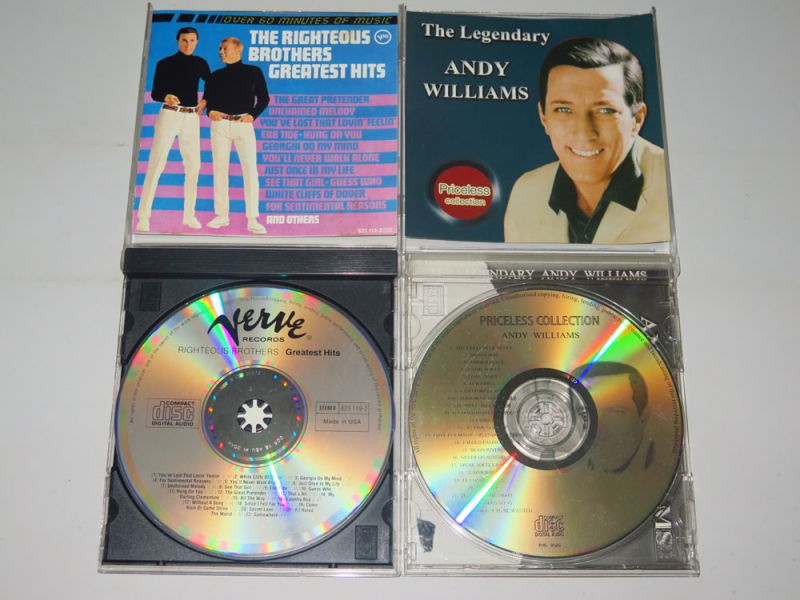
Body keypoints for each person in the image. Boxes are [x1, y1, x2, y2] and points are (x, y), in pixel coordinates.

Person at [504, 37, 670, 244]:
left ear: (637, 119)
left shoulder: (674, 187)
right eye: (563, 109)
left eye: (605, 110)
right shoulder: (525, 194)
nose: (584, 133)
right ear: (544, 118)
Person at [137, 27, 210, 232]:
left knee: (194, 166)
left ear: (197, 42)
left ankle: (189, 215)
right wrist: (166, 96)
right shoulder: (165, 63)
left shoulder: (200, 63)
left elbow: (212, 85)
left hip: (191, 117)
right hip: (170, 113)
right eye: (184, 40)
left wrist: (205, 102)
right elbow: (156, 92)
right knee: (157, 162)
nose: (188, 44)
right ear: (178, 41)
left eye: (192, 40)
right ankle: (143, 217)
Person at [203, 37, 270, 234]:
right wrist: (210, 112)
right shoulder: (215, 75)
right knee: (220, 170)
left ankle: (253, 219)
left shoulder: (253, 71)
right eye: (220, 48)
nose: (221, 52)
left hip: (243, 124)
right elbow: (208, 100)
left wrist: (252, 115)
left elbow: (264, 98)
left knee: (250, 170)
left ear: (238, 51)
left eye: (225, 48)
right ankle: (222, 216)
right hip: (220, 125)